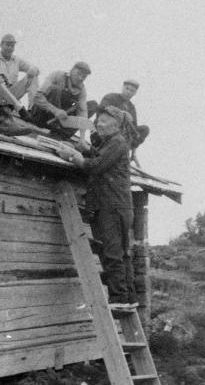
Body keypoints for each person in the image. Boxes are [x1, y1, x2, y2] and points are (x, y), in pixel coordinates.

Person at [55, 106, 138, 308]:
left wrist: (73, 157)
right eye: (98, 120)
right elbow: (100, 158)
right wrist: (85, 150)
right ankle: (129, 298)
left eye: (104, 121)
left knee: (112, 253)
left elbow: (95, 166)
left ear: (116, 125)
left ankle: (119, 298)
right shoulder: (114, 143)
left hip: (111, 206)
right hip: (119, 205)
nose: (98, 124)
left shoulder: (117, 142)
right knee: (122, 254)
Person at [31, 62, 91, 147]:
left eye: (84, 77)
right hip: (41, 116)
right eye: (78, 73)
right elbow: (37, 96)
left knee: (92, 105)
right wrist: (55, 111)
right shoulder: (57, 75)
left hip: (57, 123)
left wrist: (82, 138)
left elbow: (83, 112)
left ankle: (62, 132)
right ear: (72, 70)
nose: (80, 78)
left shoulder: (82, 89)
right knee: (55, 89)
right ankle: (57, 127)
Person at [0, 34, 39, 108]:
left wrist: (33, 70)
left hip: (12, 93)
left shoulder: (16, 60)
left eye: (12, 46)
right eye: (7, 45)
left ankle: (33, 108)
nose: (10, 48)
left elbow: (33, 68)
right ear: (1, 45)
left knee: (33, 76)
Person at [99, 79, 150, 165]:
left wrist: (133, 153)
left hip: (122, 135)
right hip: (105, 130)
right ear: (122, 88)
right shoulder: (111, 97)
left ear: (135, 93)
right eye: (127, 88)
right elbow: (102, 109)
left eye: (132, 91)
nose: (128, 92)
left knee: (144, 129)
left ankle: (125, 150)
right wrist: (121, 113)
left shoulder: (131, 107)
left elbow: (133, 129)